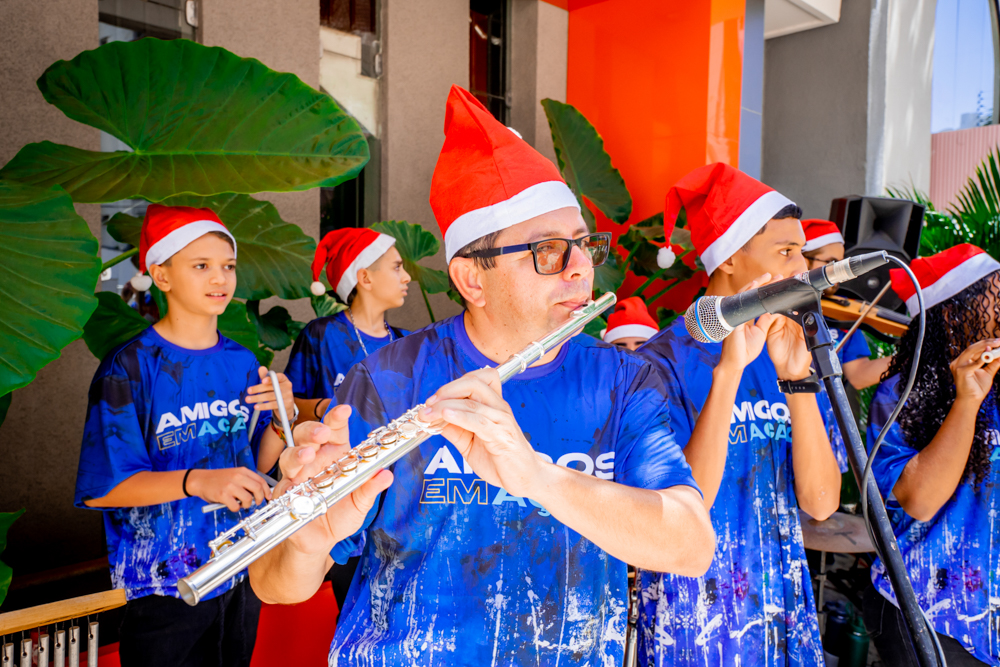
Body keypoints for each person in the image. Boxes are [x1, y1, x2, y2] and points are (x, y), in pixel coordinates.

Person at [248, 85, 715, 666]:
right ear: (473, 279)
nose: (579, 269)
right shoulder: (390, 380)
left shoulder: (621, 379)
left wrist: (538, 478)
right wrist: (307, 541)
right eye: (549, 251)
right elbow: (274, 585)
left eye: (584, 245)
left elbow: (690, 545)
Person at [637, 163, 847, 666]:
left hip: (780, 613)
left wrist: (798, 382)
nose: (803, 267)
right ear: (730, 257)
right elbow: (683, 509)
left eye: (803, 252)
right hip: (694, 622)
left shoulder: (791, 346)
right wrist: (729, 373)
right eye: (786, 251)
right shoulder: (657, 363)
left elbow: (821, 504)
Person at [74, 205, 296, 667]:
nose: (220, 278)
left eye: (228, 266)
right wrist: (197, 481)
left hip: (240, 568)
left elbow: (253, 467)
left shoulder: (241, 361)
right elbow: (105, 489)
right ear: (161, 274)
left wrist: (280, 419)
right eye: (201, 266)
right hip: (162, 588)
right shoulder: (129, 368)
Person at [863, 244, 1000, 666]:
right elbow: (919, 500)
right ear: (955, 314)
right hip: (925, 609)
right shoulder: (901, 393)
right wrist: (967, 402)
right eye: (997, 298)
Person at [286, 228, 411, 424]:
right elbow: (286, 406)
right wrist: (325, 407)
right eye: (397, 268)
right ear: (365, 278)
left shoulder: (407, 341)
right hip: (332, 443)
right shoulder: (321, 335)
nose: (407, 277)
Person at [801, 218, 891, 389]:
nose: (839, 272)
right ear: (803, 260)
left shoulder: (842, 314)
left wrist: (912, 356)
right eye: (831, 262)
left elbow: (859, 375)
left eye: (841, 263)